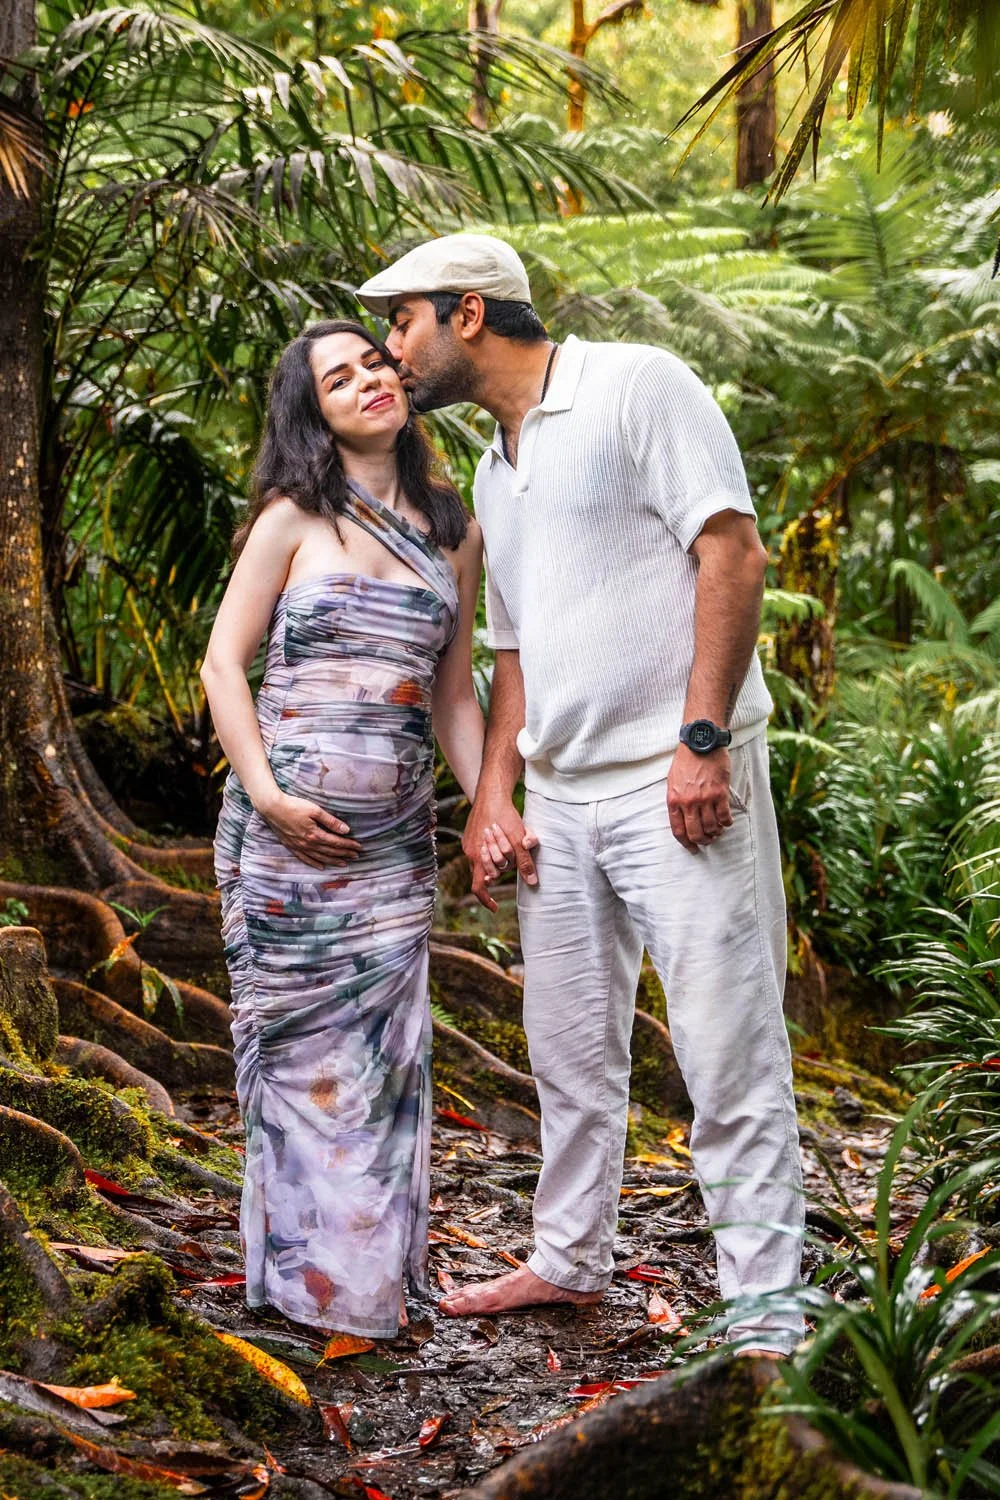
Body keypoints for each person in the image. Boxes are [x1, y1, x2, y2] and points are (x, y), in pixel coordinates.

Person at [356, 235, 805, 1354]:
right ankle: (566, 1259)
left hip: (676, 785)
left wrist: (700, 738)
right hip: (558, 800)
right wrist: (493, 796)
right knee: (564, 1046)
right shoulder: (497, 472)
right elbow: (515, 656)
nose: (389, 349)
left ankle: (764, 1313)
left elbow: (732, 553)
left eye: (401, 321)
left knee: (724, 1045)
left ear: (468, 313)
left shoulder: (635, 386)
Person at [201, 319, 485, 1339]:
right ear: (310, 410)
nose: (367, 381)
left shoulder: (454, 527)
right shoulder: (293, 517)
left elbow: (455, 696)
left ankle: (366, 1288)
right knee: (297, 1064)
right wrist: (269, 795)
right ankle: (300, 1287)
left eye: (374, 362)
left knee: (381, 1066)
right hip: (282, 852)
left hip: (393, 854)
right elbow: (221, 666)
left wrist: (488, 806)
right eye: (338, 377)